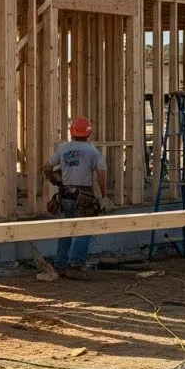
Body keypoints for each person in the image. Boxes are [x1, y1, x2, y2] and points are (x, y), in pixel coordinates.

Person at [42, 116, 111, 279]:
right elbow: (101, 173)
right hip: (84, 197)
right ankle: (75, 266)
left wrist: (54, 179)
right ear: (89, 133)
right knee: (83, 230)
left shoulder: (64, 148)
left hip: (66, 196)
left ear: (72, 131)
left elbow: (46, 167)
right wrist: (104, 196)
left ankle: (60, 265)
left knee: (67, 229)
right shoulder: (93, 151)